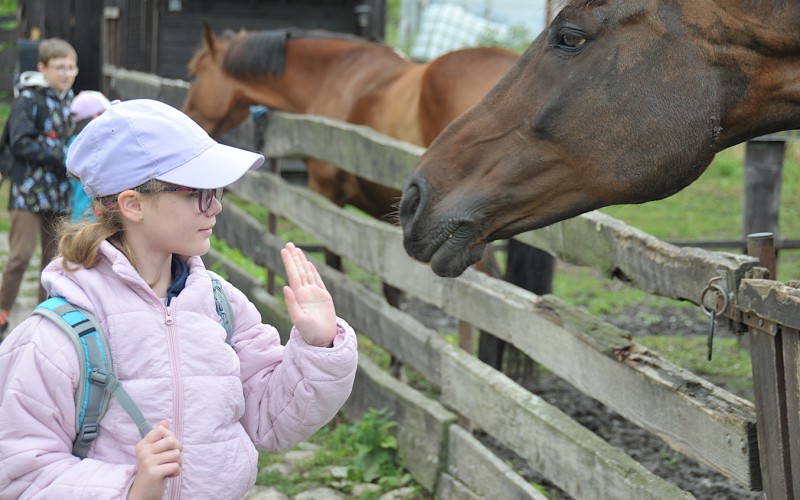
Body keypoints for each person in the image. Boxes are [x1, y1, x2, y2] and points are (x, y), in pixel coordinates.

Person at [0, 99, 358, 498]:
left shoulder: (222, 304)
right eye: (199, 193)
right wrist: (129, 491)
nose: (217, 206)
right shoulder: (56, 335)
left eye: (217, 191)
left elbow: (271, 421)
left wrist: (319, 347)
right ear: (133, 205)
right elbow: (21, 474)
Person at [0, 38, 77, 335]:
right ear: (42, 68)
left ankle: (44, 319)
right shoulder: (29, 100)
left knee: (54, 260)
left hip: (60, 194)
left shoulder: (73, 103)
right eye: (59, 67)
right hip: (28, 194)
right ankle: (3, 313)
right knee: (19, 256)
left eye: (71, 67)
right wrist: (63, 154)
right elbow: (20, 142)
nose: (66, 73)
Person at [67, 90, 111, 222]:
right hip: (93, 215)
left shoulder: (73, 143)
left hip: (79, 213)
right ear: (94, 116)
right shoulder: (94, 142)